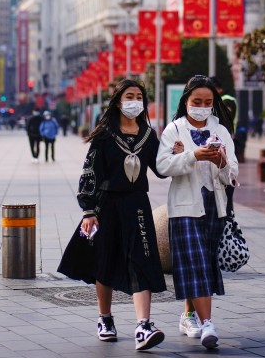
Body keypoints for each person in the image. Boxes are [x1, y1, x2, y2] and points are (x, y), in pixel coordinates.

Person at [58, 79, 168, 351]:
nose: (135, 101)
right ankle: (105, 319)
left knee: (142, 260)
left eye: (139, 96)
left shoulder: (148, 135)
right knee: (104, 262)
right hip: (107, 205)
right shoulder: (105, 135)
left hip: (138, 205)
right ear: (119, 101)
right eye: (129, 95)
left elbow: (160, 168)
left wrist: (178, 155)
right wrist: (88, 210)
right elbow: (90, 173)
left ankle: (144, 326)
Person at [156, 75, 238, 349]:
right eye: (196, 102)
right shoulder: (174, 129)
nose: (202, 107)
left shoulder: (221, 130)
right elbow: (163, 166)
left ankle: (189, 314)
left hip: (214, 206)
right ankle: (207, 324)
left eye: (207, 102)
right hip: (184, 208)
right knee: (197, 262)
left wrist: (223, 161)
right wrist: (192, 155)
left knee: (201, 263)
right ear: (186, 101)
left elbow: (232, 174)